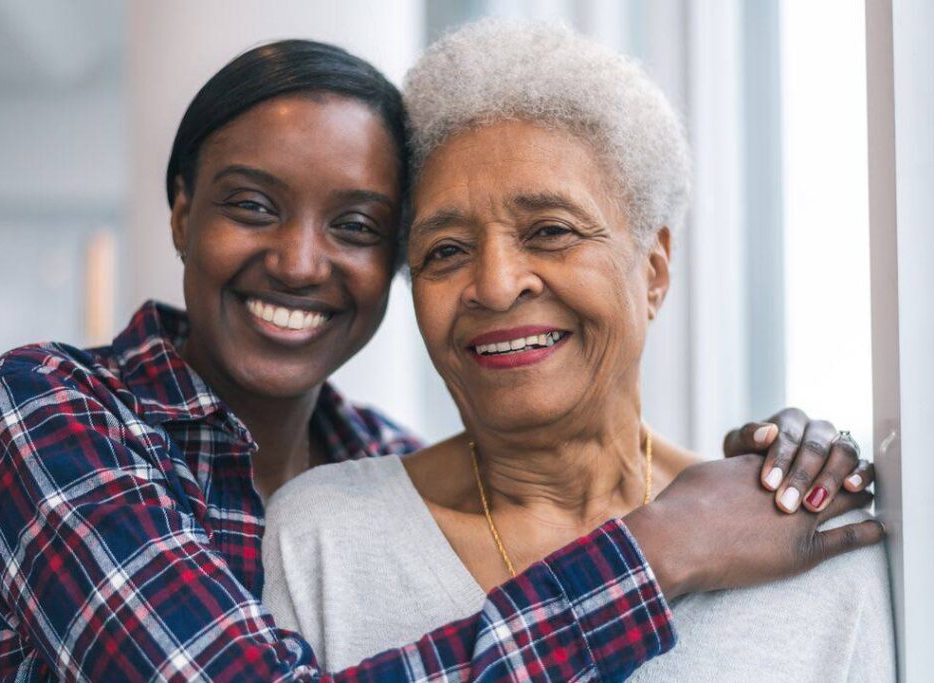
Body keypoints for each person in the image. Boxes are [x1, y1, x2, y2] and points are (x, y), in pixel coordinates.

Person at [0, 38, 877, 682]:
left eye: (355, 227)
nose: (302, 261)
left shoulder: (369, 453)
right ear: (180, 211)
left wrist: (796, 461)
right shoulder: (52, 411)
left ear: (655, 268)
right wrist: (662, 547)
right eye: (252, 204)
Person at [262, 21, 894, 680]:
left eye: (551, 231)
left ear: (653, 269)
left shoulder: (803, 544)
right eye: (445, 249)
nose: (497, 285)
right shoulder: (323, 539)